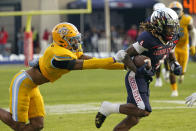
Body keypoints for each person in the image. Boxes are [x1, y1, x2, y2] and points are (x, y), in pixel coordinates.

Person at [0, 22, 125, 131]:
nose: (76, 42)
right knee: (18, 126)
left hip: (33, 86)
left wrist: (123, 66)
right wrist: (114, 58)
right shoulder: (58, 55)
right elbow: (90, 65)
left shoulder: (67, 49)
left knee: (37, 125)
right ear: (62, 40)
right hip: (23, 84)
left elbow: (96, 61)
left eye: (76, 38)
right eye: (72, 39)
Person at [95, 8, 182, 130]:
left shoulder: (174, 37)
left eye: (174, 27)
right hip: (135, 76)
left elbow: (170, 55)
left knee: (133, 119)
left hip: (145, 78)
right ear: (159, 26)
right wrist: (138, 70)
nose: (173, 31)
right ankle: (108, 107)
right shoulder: (148, 38)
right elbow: (124, 55)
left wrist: (175, 65)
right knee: (144, 110)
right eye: (169, 27)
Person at [169, 1, 196, 96]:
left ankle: (181, 76)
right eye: (173, 10)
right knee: (172, 68)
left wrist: (193, 45)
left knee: (182, 72)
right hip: (173, 47)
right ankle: (174, 90)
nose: (175, 12)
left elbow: (193, 32)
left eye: (177, 10)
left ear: (181, 10)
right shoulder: (167, 19)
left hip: (184, 47)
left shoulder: (187, 19)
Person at [152, 2, 166, 87]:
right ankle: (158, 79)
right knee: (157, 60)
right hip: (157, 42)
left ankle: (167, 71)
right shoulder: (150, 19)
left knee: (169, 57)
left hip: (167, 42)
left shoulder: (168, 19)